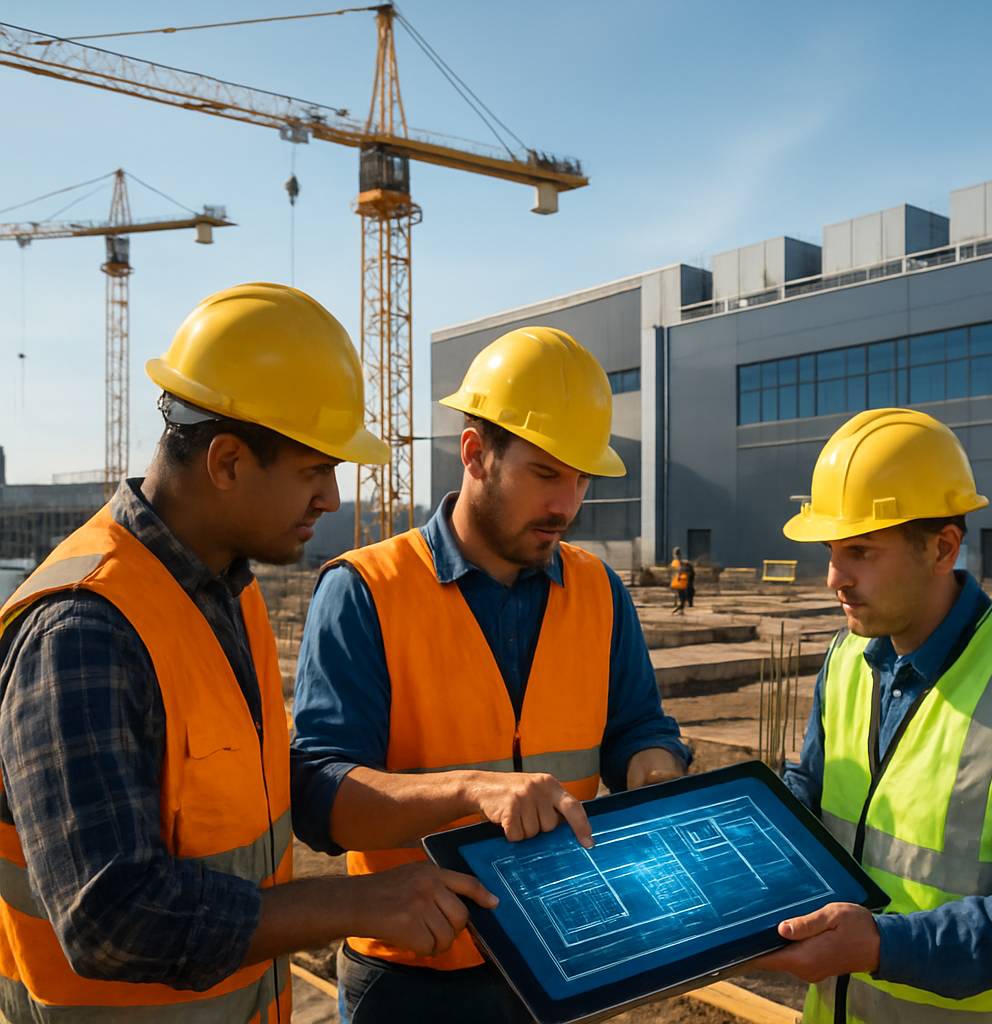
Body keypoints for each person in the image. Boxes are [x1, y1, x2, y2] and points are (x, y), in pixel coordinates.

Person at [0, 284, 495, 1022]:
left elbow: (250, 801)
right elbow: (109, 918)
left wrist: (460, 793)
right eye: (313, 471)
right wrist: (353, 903)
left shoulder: (227, 592)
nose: (332, 498)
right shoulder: (83, 629)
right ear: (228, 462)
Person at [291, 325, 691, 1023]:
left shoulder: (599, 590)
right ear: (475, 453)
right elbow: (321, 796)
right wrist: (474, 791)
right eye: (545, 473)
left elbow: (637, 727)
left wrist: (653, 772)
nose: (567, 504)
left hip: (564, 954)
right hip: (414, 976)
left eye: (580, 477)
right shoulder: (365, 591)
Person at [763, 408, 992, 1023]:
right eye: (830, 551)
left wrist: (881, 945)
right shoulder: (847, 658)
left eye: (861, 552)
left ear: (942, 547)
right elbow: (811, 791)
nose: (833, 578)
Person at [670, 545, 696, 614]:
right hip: (681, 582)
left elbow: (676, 572)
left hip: (681, 582)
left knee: (682, 595)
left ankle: (680, 608)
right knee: (682, 595)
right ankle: (680, 608)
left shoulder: (678, 563)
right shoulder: (680, 563)